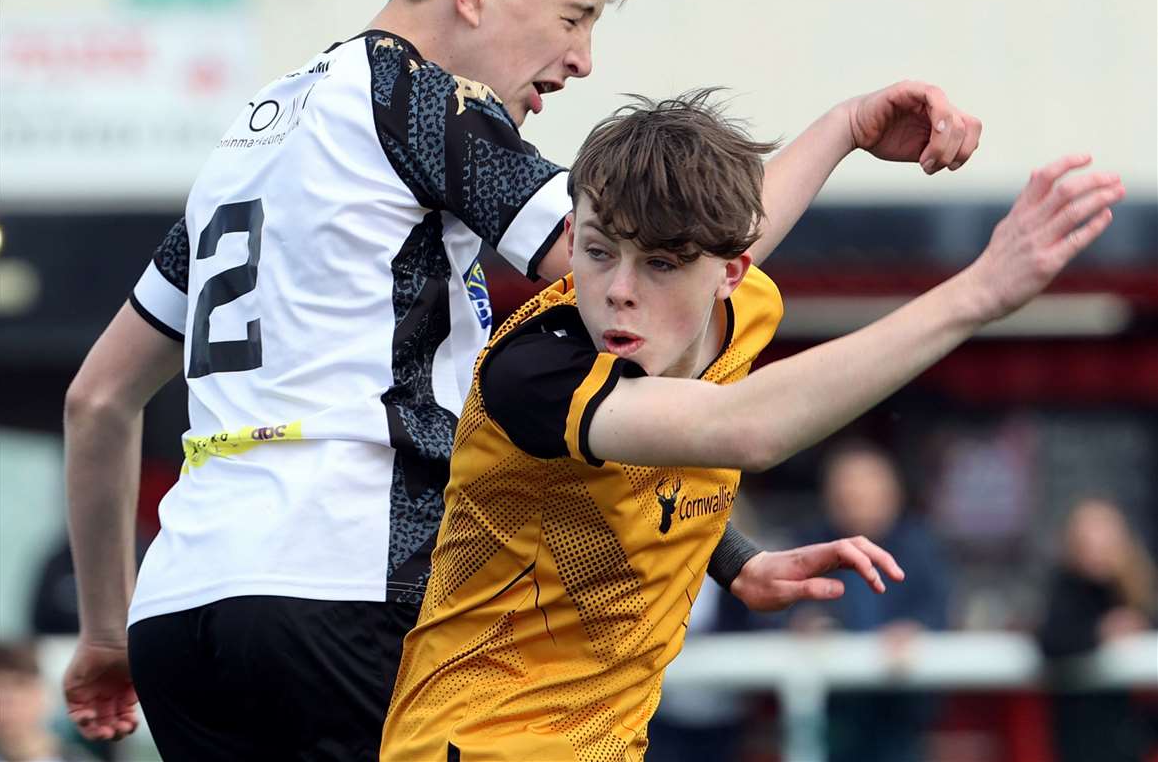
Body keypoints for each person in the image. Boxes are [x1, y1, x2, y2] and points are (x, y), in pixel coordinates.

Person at [62, 0, 984, 759]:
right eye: (574, 16)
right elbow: (672, 253)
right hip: (345, 586)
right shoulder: (419, 101)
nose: (582, 58)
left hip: (180, 617)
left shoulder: (252, 138)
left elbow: (97, 399)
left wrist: (102, 631)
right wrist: (839, 128)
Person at [381, 93, 1121, 761]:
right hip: (477, 744)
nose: (618, 293)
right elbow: (745, 427)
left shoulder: (731, 308)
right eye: (598, 252)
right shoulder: (537, 371)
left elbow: (731, 238)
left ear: (728, 273)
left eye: (661, 264)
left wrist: (848, 125)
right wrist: (979, 293)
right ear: (570, 235)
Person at [789, 442, 950, 762]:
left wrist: (915, 629)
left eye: (865, 491)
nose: (855, 500)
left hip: (900, 708)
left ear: (892, 495)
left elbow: (938, 609)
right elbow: (772, 608)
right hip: (831, 707)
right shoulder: (807, 546)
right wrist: (802, 621)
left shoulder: (921, 546)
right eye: (846, 491)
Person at [1039, 497, 1158, 762]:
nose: (1096, 551)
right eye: (1088, 542)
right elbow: (1051, 640)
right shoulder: (1067, 587)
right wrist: (1102, 632)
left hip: (1129, 732)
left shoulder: (1137, 589)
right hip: (1080, 732)